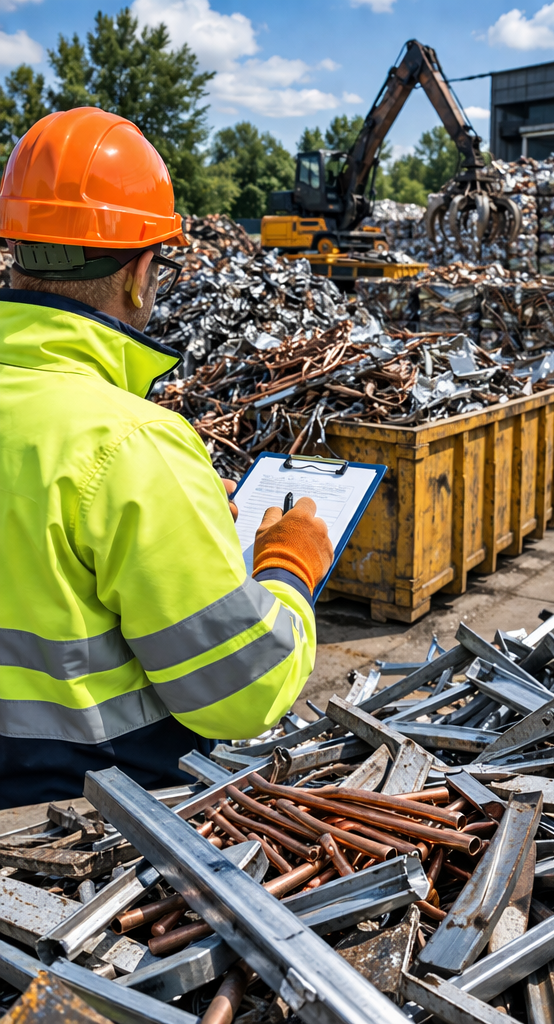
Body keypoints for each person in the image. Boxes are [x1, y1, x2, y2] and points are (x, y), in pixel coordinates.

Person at [0, 107, 333, 808]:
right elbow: (243, 695)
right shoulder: (130, 444)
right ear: (140, 271)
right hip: (78, 838)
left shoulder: (119, 453)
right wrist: (288, 567)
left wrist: (171, 518)